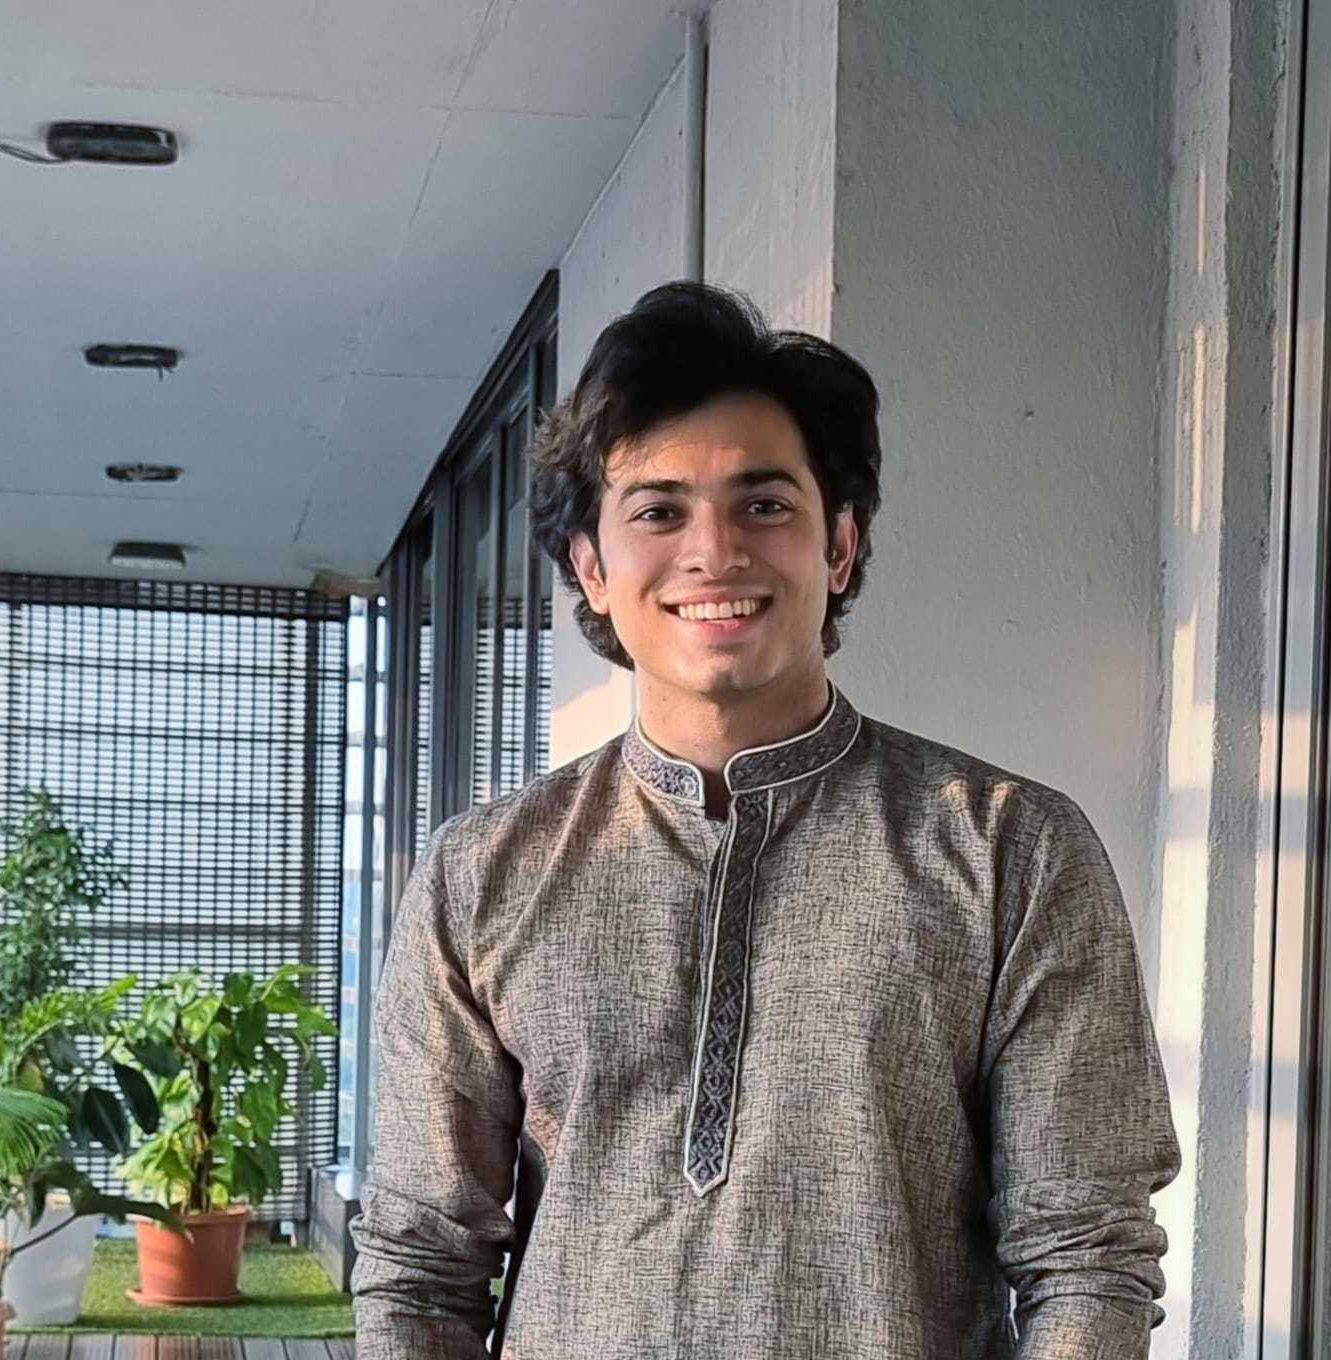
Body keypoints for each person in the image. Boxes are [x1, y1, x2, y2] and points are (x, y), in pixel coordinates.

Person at [349, 282, 1180, 1359]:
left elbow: (1088, 1259)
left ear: (839, 545)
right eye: (658, 511)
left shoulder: (1009, 850)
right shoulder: (483, 873)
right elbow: (419, 1266)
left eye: (765, 505)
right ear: (591, 568)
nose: (715, 552)